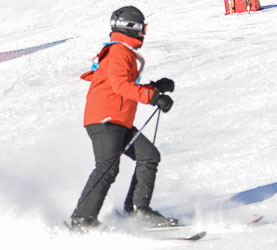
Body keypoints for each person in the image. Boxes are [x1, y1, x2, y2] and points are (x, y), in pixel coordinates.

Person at [71, 6, 176, 232]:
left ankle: (139, 210)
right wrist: (153, 98)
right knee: (107, 167)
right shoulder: (119, 51)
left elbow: (126, 86)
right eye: (142, 28)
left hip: (118, 121)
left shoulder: (124, 52)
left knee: (149, 156)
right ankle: (83, 219)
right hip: (105, 119)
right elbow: (121, 86)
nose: (144, 33)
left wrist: (156, 88)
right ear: (131, 28)